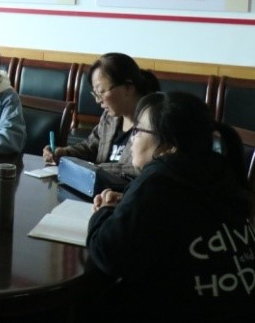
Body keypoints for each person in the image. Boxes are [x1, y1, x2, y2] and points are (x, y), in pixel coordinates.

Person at [86, 91, 255, 321]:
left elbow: (107, 254)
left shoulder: (160, 179)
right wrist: (129, 203)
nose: (132, 140)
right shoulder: (219, 170)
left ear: (169, 146)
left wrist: (103, 211)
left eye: (138, 131)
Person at [43, 53, 159, 177]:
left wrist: (97, 168)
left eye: (101, 92)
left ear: (128, 87)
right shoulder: (110, 118)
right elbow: (91, 147)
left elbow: (142, 169)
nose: (98, 100)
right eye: (95, 93)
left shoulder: (152, 123)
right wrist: (64, 153)